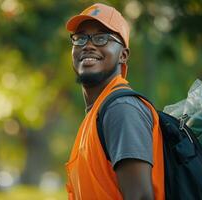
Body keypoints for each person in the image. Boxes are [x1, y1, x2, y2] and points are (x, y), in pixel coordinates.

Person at [65, 3, 165, 200]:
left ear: (123, 55)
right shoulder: (97, 114)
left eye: (102, 38)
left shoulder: (122, 109)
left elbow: (141, 197)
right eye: (80, 38)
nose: (88, 45)